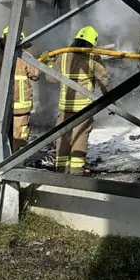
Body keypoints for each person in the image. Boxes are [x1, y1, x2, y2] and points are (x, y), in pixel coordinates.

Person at [52, 25, 110, 175]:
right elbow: (104, 81)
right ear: (92, 42)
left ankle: (61, 170)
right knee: (80, 137)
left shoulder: (63, 56)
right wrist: (110, 99)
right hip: (84, 109)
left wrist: (49, 63)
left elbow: (50, 78)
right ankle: (76, 170)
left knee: (63, 138)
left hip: (64, 108)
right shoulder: (93, 57)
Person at [0, 27, 40, 153]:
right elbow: (36, 75)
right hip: (21, 107)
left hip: (1, 108)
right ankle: (16, 159)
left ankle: (4, 156)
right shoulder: (25, 57)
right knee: (19, 136)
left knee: (2, 134)